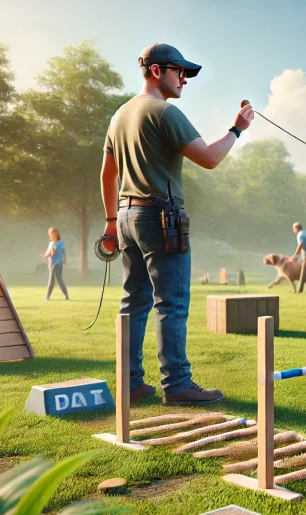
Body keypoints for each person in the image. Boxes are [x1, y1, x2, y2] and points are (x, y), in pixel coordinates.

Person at [99, 43, 253, 405]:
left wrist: (110, 222)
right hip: (160, 217)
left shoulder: (119, 115)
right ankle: (177, 384)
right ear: (156, 71)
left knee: (133, 302)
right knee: (171, 303)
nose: (184, 78)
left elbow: (107, 175)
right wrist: (237, 128)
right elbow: (210, 158)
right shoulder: (164, 113)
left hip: (124, 216)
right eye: (179, 71)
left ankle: (130, 382)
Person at [41, 227, 69, 301]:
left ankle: (48, 297)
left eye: (51, 234)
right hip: (52, 264)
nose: (50, 236)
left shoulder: (60, 243)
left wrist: (65, 260)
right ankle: (66, 295)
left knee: (54, 280)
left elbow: (62, 252)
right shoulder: (51, 243)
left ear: (56, 234)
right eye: (49, 234)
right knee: (57, 279)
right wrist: (44, 256)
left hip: (58, 263)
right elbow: (48, 253)